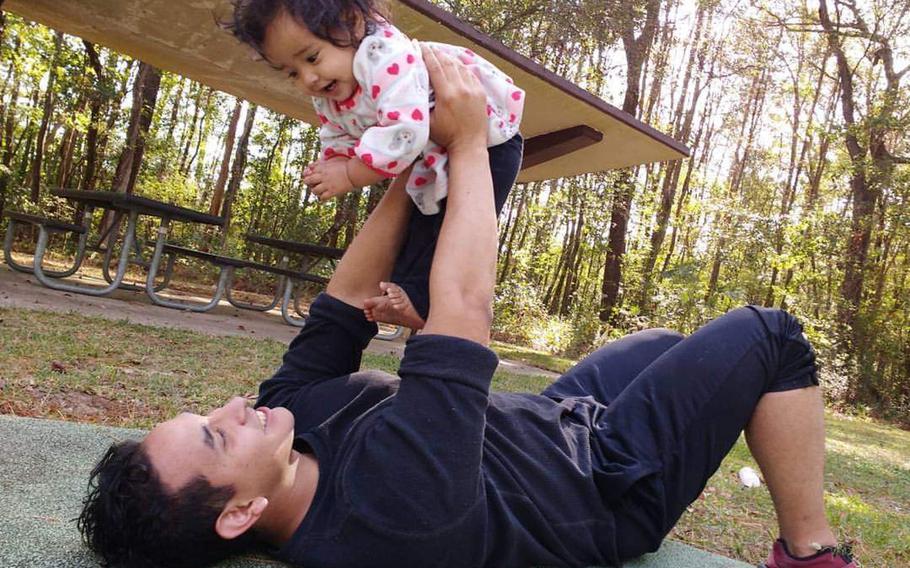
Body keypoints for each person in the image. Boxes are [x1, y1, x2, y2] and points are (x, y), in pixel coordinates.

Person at [78, 48, 855, 568]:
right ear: (240, 515)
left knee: (662, 339)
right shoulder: (387, 516)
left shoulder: (287, 420)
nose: (236, 404)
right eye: (217, 434)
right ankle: (810, 552)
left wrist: (404, 153)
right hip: (606, 480)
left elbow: (346, 299)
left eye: (208, 412)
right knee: (769, 338)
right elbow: (462, 304)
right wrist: (469, 144)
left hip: (549, 425)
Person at [229, 0, 525, 330]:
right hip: (437, 151)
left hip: (492, 142)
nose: (309, 78)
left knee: (451, 227)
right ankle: (412, 294)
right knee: (418, 223)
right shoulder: (331, 87)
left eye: (312, 57)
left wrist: (349, 173)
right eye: (292, 72)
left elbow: (407, 132)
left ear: (352, 23)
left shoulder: (384, 55)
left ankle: (423, 302)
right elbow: (338, 129)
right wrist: (334, 161)